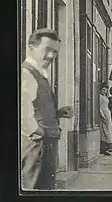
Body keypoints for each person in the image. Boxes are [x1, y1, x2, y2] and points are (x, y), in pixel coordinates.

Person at [21, 28, 74, 190]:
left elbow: (35, 107)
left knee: (45, 188)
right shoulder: (26, 73)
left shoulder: (40, 74)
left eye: (55, 52)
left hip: (45, 144)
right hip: (37, 145)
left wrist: (58, 113)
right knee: (35, 189)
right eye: (47, 50)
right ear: (31, 46)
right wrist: (38, 132)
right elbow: (21, 110)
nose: (51, 56)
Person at [99, 84, 112, 156]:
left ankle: (107, 148)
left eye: (105, 90)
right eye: (103, 90)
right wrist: (102, 115)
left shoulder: (105, 97)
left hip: (107, 114)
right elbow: (99, 107)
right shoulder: (99, 97)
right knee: (104, 131)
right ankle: (103, 148)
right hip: (104, 114)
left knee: (108, 130)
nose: (104, 91)